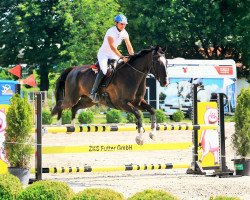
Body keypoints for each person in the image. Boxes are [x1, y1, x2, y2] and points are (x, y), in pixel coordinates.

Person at [90, 14, 134, 103]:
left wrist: (133, 56)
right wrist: (122, 57)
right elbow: (112, 47)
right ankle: (93, 92)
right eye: (121, 24)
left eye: (124, 24)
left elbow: (129, 46)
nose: (123, 25)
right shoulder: (110, 31)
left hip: (114, 54)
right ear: (116, 23)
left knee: (123, 67)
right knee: (105, 71)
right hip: (104, 54)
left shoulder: (125, 33)